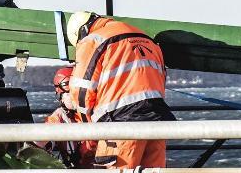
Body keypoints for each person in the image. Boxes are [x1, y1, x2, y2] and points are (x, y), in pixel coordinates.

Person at [64, 11, 175, 169]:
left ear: (81, 32)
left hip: (120, 125)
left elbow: (82, 92)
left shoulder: (92, 40)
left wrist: (88, 132)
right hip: (157, 122)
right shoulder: (145, 38)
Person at [39, 65, 96, 168]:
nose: (74, 96)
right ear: (60, 98)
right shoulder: (59, 117)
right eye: (69, 93)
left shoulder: (96, 112)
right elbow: (41, 140)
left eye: (76, 92)